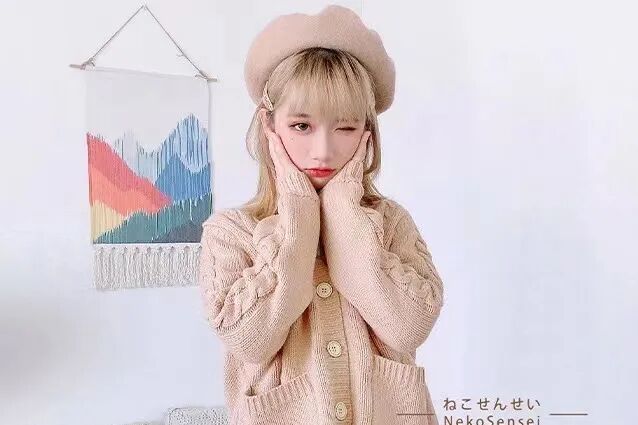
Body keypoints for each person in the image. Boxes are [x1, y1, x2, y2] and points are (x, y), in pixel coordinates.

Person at [198, 5, 445, 424]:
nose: (323, 151)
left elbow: (408, 327)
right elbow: (251, 341)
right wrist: (298, 213)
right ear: (269, 126)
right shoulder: (231, 233)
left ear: (367, 133)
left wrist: (343, 213)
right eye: (301, 126)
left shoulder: (391, 222)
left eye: (345, 127)